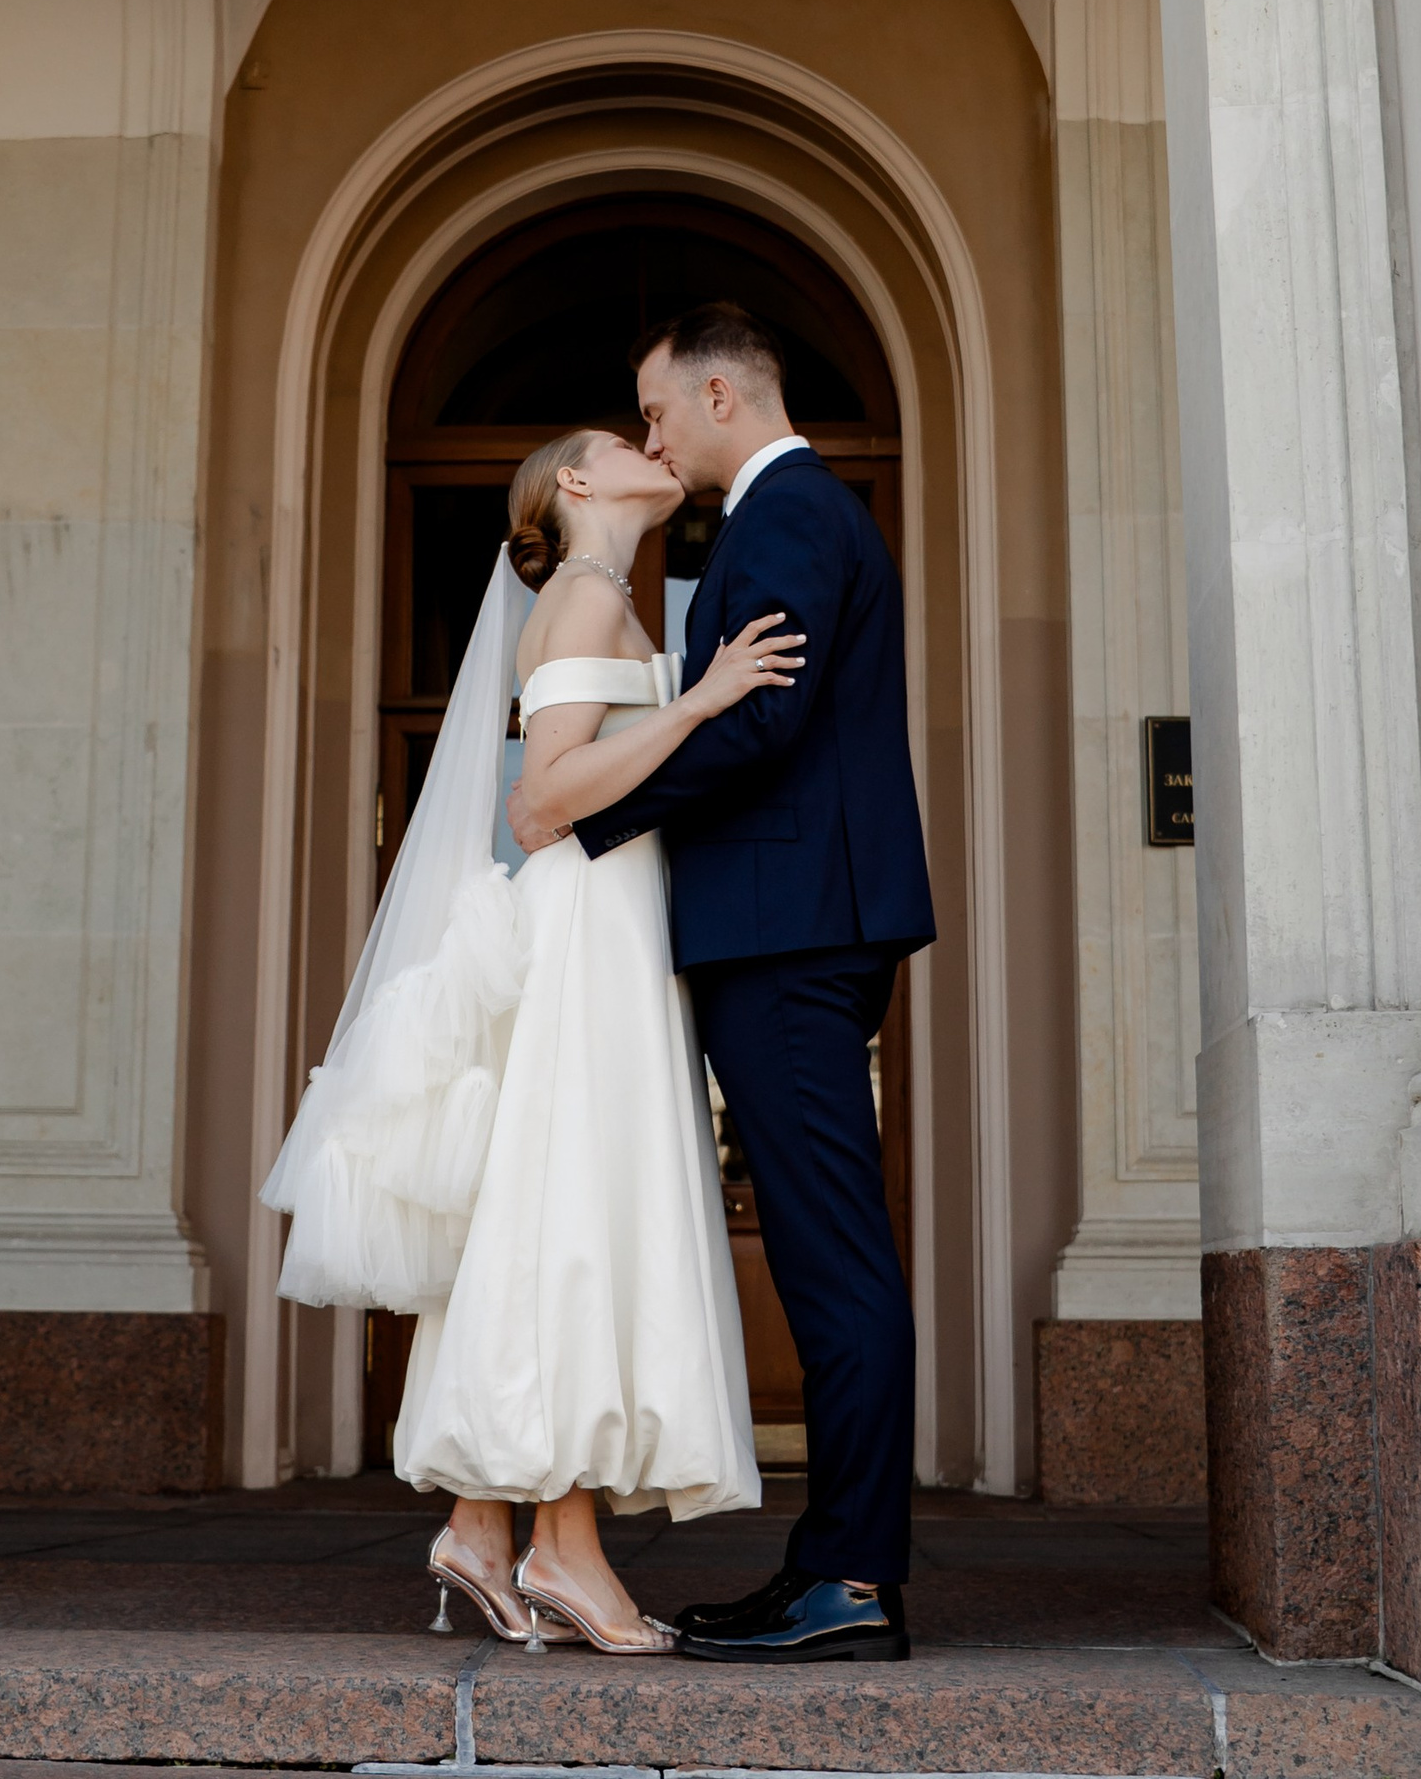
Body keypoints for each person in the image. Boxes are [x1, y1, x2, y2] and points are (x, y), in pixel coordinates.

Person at [261, 422, 802, 1653]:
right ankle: (562, 1549)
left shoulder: (604, 595)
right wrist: (703, 700)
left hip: (613, 921)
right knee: (574, 1217)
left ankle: (483, 1527)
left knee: (553, 1215)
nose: (654, 444)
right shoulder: (583, 599)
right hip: (589, 926)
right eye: (624, 439)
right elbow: (543, 800)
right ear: (574, 484)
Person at [510, 302, 934, 1664]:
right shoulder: (782, 516)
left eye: (655, 413)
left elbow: (763, 719)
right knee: (820, 1251)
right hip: (791, 927)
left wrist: (583, 814)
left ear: (717, 395)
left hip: (789, 937)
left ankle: (850, 1580)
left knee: (832, 1257)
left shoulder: (787, 512)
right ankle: (829, 1566)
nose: (651, 441)